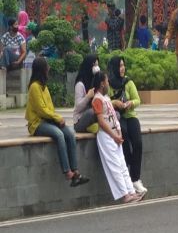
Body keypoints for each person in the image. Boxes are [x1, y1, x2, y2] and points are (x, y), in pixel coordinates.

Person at [25, 57, 89, 187]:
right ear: (42, 69)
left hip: (48, 120)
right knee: (59, 135)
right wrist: (57, 118)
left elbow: (50, 108)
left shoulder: (44, 87)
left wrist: (57, 119)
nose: (49, 68)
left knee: (70, 133)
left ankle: (75, 171)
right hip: (37, 124)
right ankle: (67, 172)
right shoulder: (34, 87)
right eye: (47, 66)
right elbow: (41, 110)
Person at [91, 71, 142, 204]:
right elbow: (101, 121)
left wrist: (119, 133)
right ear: (102, 84)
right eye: (107, 81)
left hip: (115, 135)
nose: (108, 83)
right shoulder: (97, 99)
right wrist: (114, 135)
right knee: (114, 166)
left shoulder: (106, 98)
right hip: (106, 136)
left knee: (122, 164)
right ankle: (125, 194)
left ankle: (131, 191)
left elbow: (113, 116)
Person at [108, 56, 147, 195]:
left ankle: (135, 179)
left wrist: (131, 103)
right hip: (117, 117)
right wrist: (114, 103)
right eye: (119, 66)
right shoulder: (108, 84)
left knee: (138, 142)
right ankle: (128, 173)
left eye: (123, 65)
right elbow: (104, 101)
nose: (122, 68)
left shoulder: (128, 82)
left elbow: (138, 100)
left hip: (130, 115)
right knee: (123, 136)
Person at [73, 54, 100, 133]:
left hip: (92, 119)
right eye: (94, 65)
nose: (97, 68)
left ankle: (96, 126)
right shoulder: (80, 84)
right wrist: (87, 97)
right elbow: (78, 107)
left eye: (98, 65)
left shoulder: (94, 81)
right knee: (92, 112)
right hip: (80, 121)